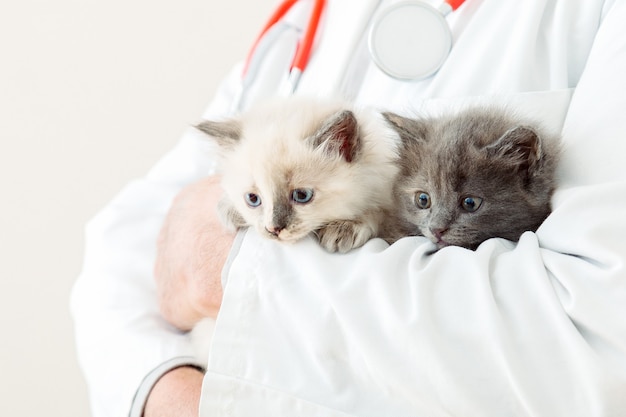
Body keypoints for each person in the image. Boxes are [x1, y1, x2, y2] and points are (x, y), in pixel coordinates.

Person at [71, 0, 626, 416]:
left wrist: (230, 264)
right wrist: (163, 387)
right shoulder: (314, 17)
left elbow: (593, 339)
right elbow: (121, 253)